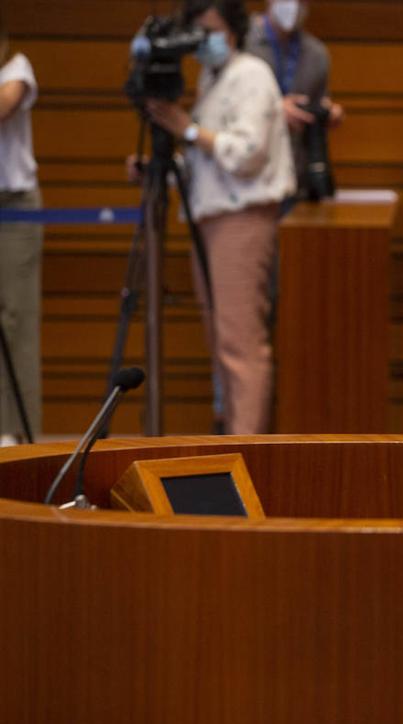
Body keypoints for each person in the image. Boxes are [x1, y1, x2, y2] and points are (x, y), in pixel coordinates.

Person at [141, 0, 295, 434]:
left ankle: (246, 448)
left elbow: (246, 154)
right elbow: (208, 158)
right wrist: (163, 160)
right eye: (196, 31)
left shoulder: (250, 74)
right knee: (221, 339)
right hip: (212, 216)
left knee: (239, 343)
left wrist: (185, 128)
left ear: (233, 29)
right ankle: (230, 432)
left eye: (210, 29)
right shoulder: (214, 77)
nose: (203, 40)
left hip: (242, 217)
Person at [245, 0, 344, 199]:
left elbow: (319, 103)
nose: (295, 5)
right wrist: (274, 111)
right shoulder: (241, 42)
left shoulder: (316, 54)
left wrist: (326, 113)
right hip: (250, 176)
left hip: (295, 177)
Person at [0, 19, 42, 446]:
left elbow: (4, 105)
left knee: (16, 320)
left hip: (13, 205)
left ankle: (18, 433)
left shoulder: (16, 67)